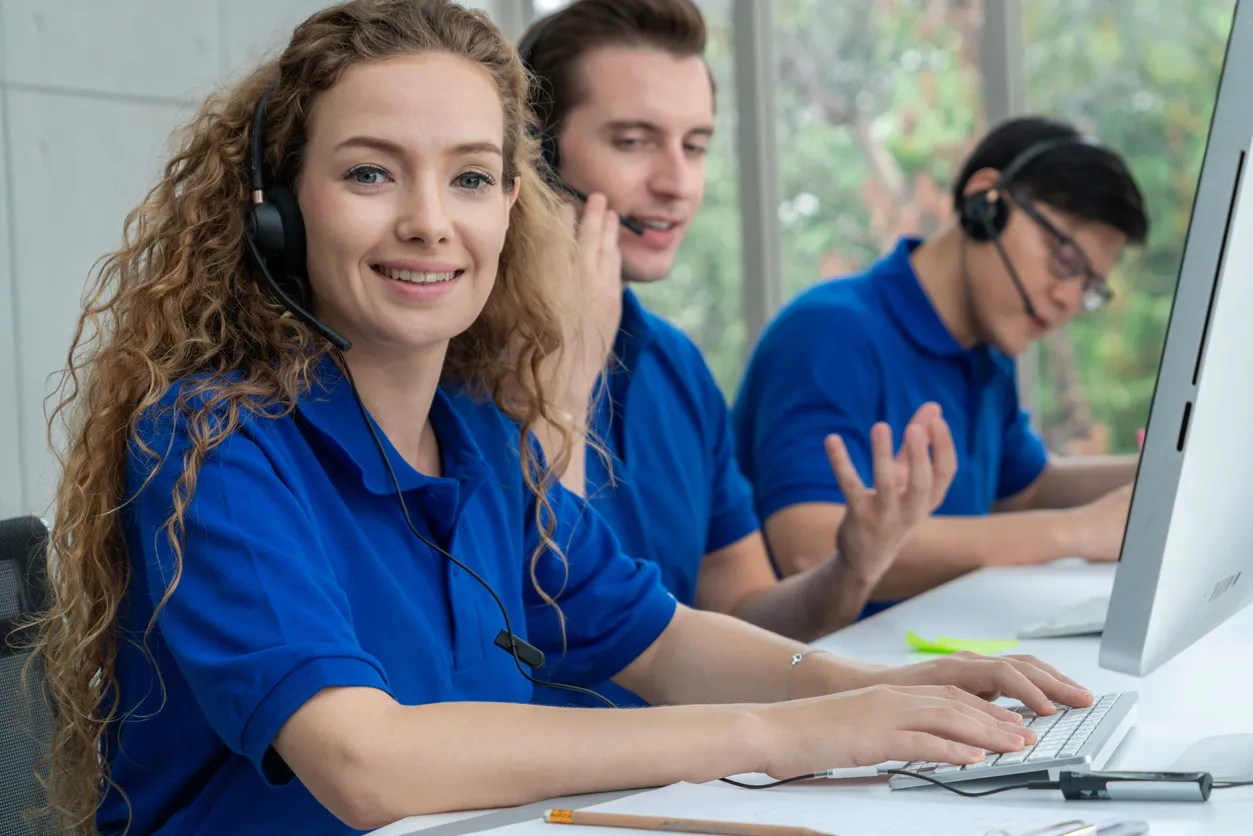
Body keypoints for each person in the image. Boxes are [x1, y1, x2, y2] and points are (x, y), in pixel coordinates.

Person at [31, 3, 1095, 833]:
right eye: (369, 173)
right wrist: (779, 733)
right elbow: (364, 762)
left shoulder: (480, 439)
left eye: (470, 177)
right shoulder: (214, 442)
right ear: (278, 210)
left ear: (511, 205)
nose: (428, 221)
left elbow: (666, 639)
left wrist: (883, 691)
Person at [518, 0, 962, 710]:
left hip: (695, 761)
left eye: (694, 146)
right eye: (633, 141)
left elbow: (740, 616)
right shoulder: (458, 373)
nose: (677, 183)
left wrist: (851, 568)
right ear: (532, 155)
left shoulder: (675, 368)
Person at [732, 116, 1149, 606]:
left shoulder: (985, 352)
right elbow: (812, 548)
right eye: (1065, 260)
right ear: (986, 201)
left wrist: (1165, 472)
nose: (1068, 300)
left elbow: (1026, 490)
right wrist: (1074, 533)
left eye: (1090, 287)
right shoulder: (829, 333)